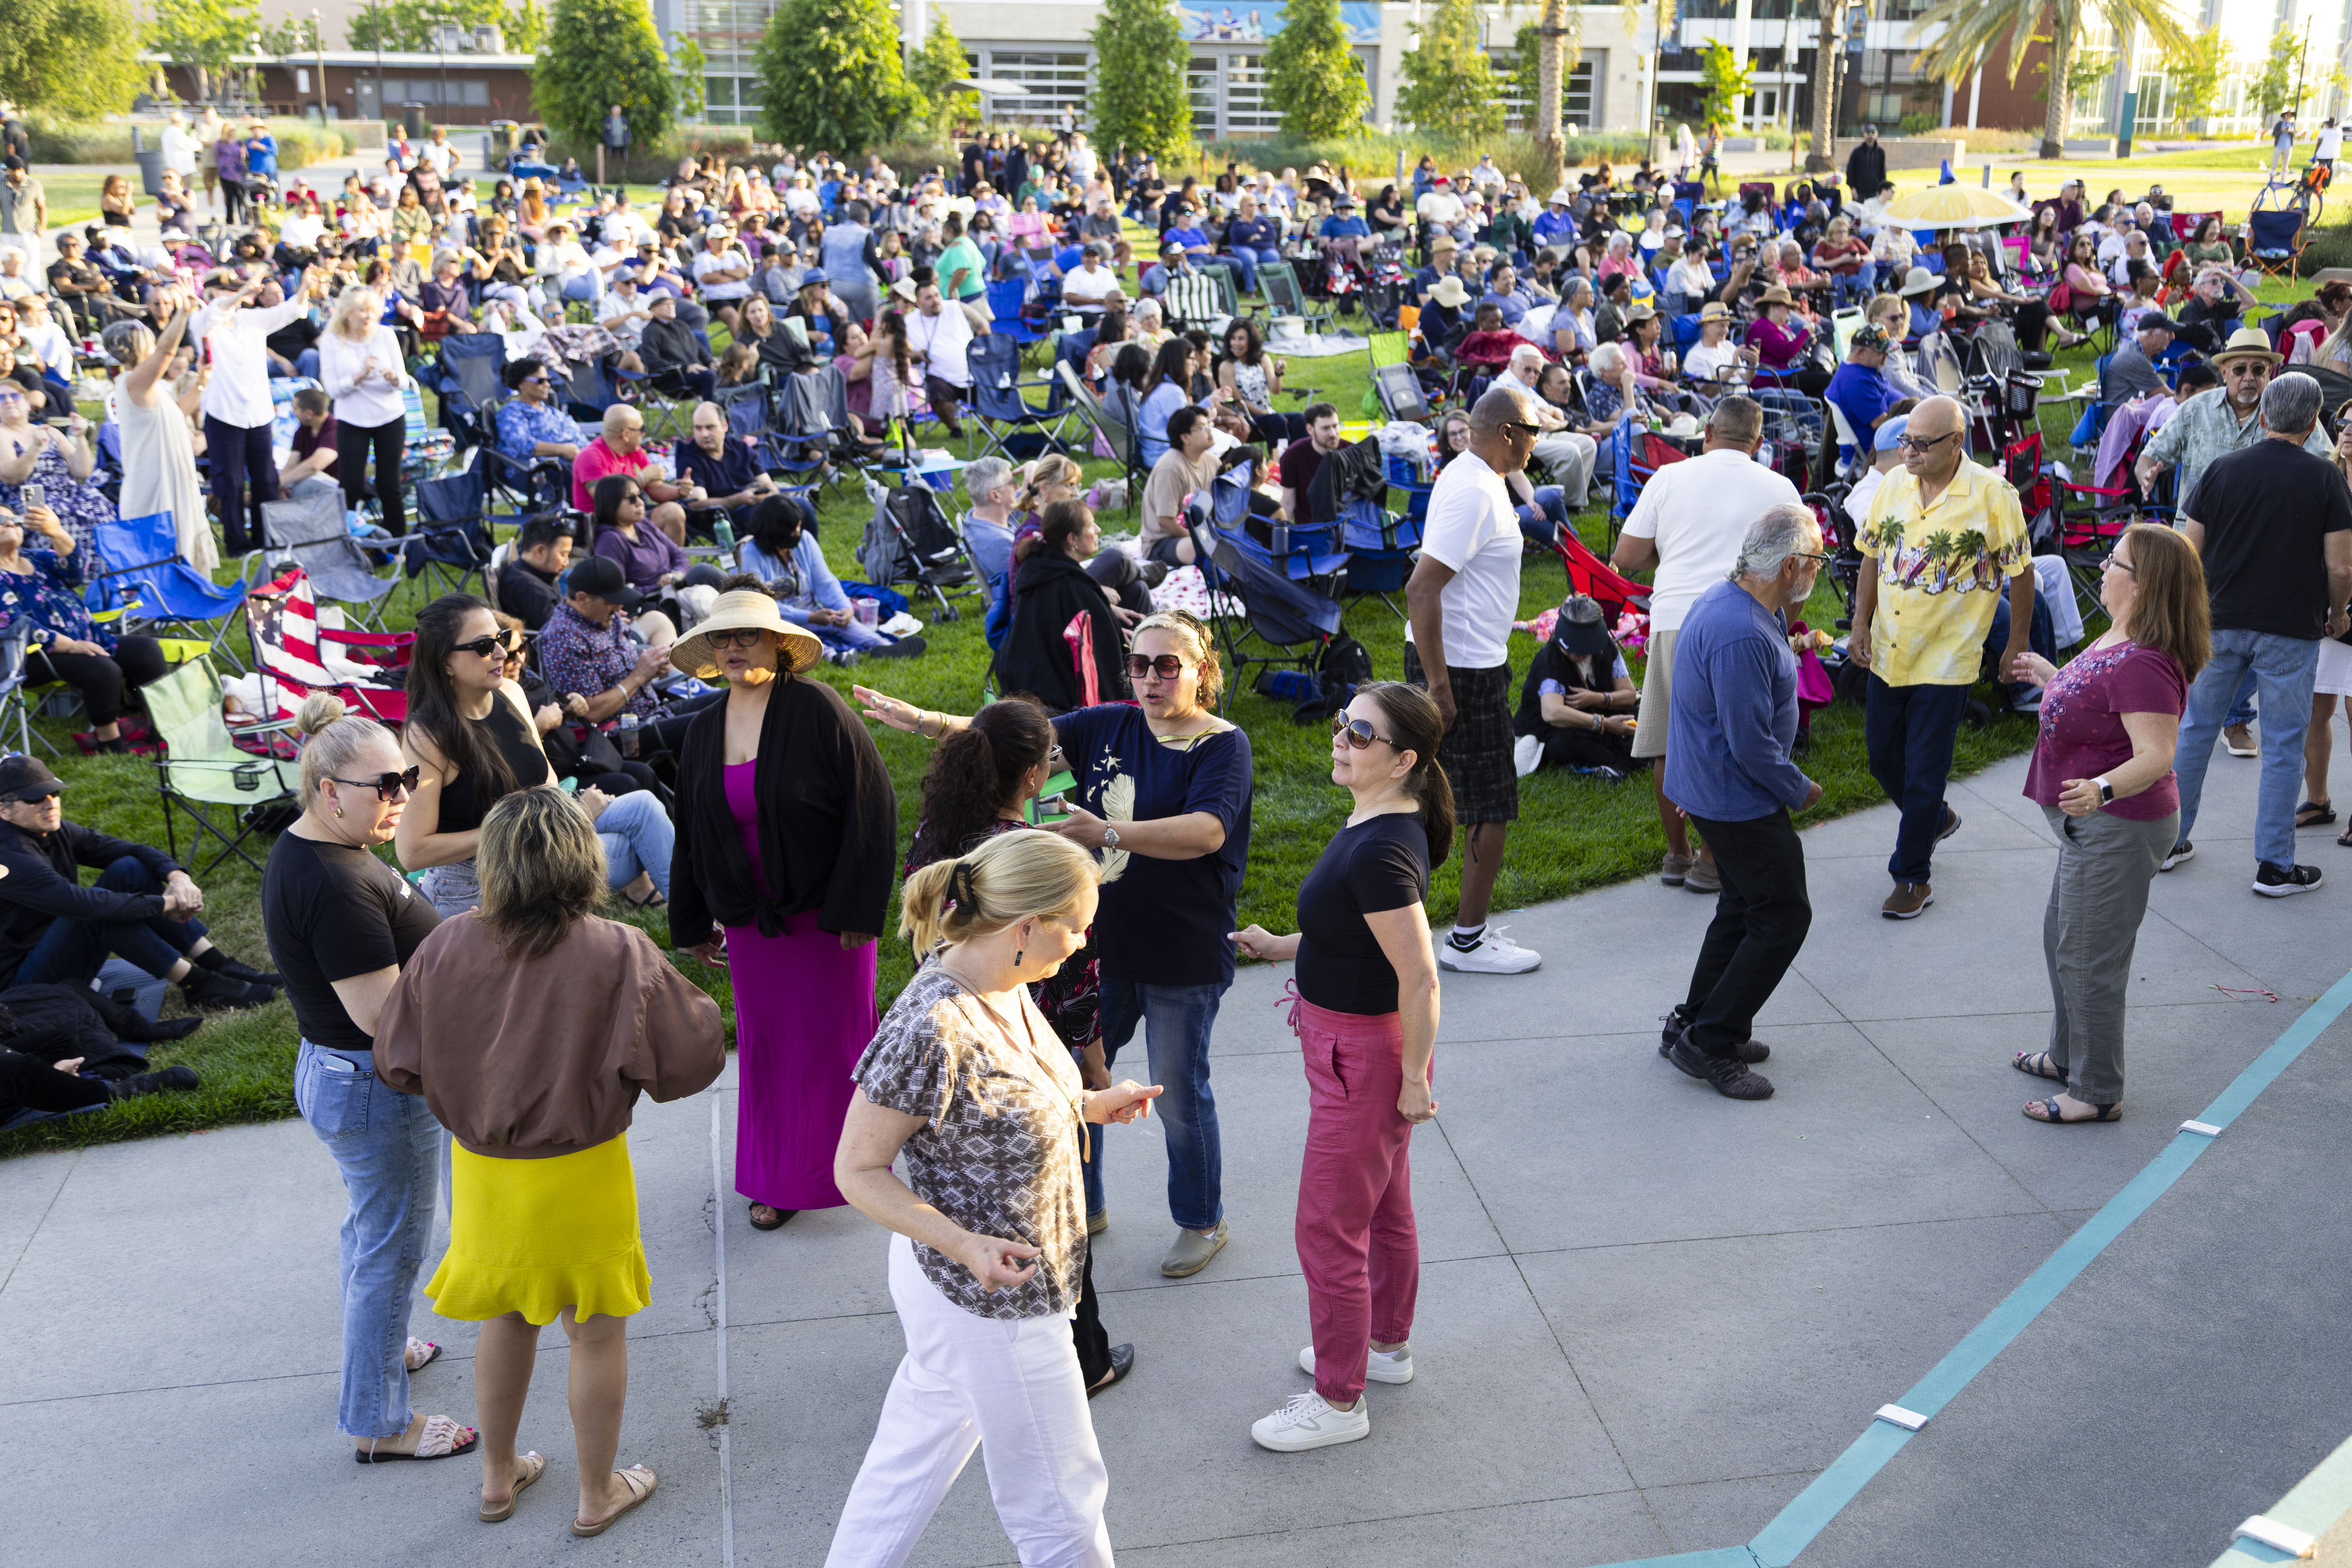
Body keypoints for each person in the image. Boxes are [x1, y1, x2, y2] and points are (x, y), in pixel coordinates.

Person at [858, 608, 1255, 1281]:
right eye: (1139, 664)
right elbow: (1008, 740)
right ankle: (1085, 1204)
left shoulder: (1222, 744)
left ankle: (1200, 1220)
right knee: (1076, 1079)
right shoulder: (1110, 722)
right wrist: (924, 720)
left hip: (1181, 949)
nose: (1150, 679)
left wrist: (1106, 833)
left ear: (1201, 671)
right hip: (1095, 949)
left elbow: (1208, 832)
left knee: (1179, 1096)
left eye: (1167, 666)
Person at [374, 786, 723, 1534]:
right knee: (594, 1330)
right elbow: (693, 1058)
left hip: (485, 1174)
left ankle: (498, 1477)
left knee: (505, 1318)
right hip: (583, 1171)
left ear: (493, 861)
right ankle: (597, 1494)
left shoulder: (445, 945)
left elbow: (397, 1058)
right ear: (583, 859)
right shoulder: (616, 949)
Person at [825, 830, 1160, 1566]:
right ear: (1025, 926)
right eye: (1077, 926)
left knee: (906, 1467)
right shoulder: (932, 1027)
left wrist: (1090, 1104)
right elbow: (857, 1168)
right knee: (1062, 1508)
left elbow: (1007, 1097)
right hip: (993, 1304)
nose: (1084, 941)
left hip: (971, 1297)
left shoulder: (1007, 984)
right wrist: (965, 1244)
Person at [1227, 682, 1445, 1452]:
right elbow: (1358, 931)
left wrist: (1413, 1077)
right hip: (1355, 1054)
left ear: (1404, 759)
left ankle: (1338, 1399)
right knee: (1382, 1206)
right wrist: (1285, 945)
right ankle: (1383, 1345)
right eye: (1342, 724)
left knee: (1327, 1226)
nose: (1340, 739)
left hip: (1364, 1060)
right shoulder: (1376, 820)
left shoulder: (1383, 849)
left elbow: (1420, 976)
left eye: (1360, 732)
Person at [262, 694, 476, 1465]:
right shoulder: (335, 882)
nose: (403, 798)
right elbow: (387, 1018)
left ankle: (380, 1348)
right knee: (391, 1248)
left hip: (340, 1074)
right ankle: (380, 1423)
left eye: (408, 780)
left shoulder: (322, 847)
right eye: (386, 786)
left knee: (370, 1232)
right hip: (373, 1086)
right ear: (329, 791)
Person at [902, 696, 1129, 1389]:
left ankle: (973, 1342)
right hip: (1027, 1044)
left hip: (964, 1037)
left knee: (970, 1193)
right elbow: (1079, 980)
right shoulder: (1037, 859)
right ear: (1034, 776)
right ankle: (1084, 1356)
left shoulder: (935, 837)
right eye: (1051, 756)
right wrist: (1091, 1064)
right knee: (1047, 1204)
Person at [670, 589, 897, 1232]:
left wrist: (857, 909)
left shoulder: (818, 709)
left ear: (778, 644)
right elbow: (692, 830)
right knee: (768, 1050)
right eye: (722, 638)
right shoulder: (702, 729)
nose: (734, 647)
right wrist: (692, 921)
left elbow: (872, 807)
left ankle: (856, 1167)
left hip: (827, 920)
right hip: (751, 922)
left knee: (832, 1045)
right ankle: (777, 1176)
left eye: (747, 635)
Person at [2006, 524, 2204, 1124]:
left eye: (2113, 561)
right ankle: (2067, 1055)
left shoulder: (2146, 661)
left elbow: (2156, 755)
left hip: (2117, 825)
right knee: (2061, 941)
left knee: (2089, 958)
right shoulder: (2122, 634)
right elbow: (2100, 697)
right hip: (2088, 828)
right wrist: (2053, 677)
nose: (2101, 568)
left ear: (2142, 585)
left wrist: (2101, 788)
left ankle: (2095, 1091)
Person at [1658, 505, 1828, 1101]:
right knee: (1783, 914)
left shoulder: (1737, 606)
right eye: (1816, 561)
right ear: (1790, 566)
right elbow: (1749, 743)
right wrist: (1798, 788)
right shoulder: (1739, 631)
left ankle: (1692, 1022)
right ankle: (1712, 1040)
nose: (1818, 571)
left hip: (1717, 789)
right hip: (1737, 797)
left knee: (1741, 907)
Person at [2164, 372, 2352, 894]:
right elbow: (2341, 567)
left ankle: (2169, 842)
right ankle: (2274, 865)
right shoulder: (2325, 478)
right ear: (2312, 423)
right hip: (2290, 628)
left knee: (2195, 729)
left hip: (2218, 622)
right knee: (2284, 743)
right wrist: (2338, 614)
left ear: (2265, 417)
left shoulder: (2222, 469)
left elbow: (2189, 552)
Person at [1848, 396, 2034, 918]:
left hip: (1948, 657)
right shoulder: (1892, 484)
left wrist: (2016, 642)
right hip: (1889, 648)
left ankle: (1912, 876)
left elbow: (2021, 572)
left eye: (1920, 444)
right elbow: (1870, 557)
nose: (1908, 452)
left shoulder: (1993, 495)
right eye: (1904, 440)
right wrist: (1860, 622)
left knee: (1924, 770)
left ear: (1956, 442)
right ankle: (1933, 819)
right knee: (1882, 758)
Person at [1610, 395, 1803, 891]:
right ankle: (1712, 861)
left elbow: (1626, 555)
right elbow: (1798, 567)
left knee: (1667, 742)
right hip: (1746, 620)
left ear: (1708, 433)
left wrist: (1673, 550)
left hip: (1676, 617)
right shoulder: (1779, 486)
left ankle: (1677, 854)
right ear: (1758, 443)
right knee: (1732, 741)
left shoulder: (1669, 476)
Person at [397, 596, 674, 917]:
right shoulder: (428, 736)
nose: (502, 653)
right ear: (446, 661)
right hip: (479, 883)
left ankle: (700, 929)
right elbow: (412, 851)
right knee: (638, 847)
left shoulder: (511, 693)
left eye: (501, 638)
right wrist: (530, 825)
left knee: (644, 809)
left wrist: (569, 816)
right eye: (484, 646)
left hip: (538, 849)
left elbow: (547, 778)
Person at [1405, 384, 1553, 976]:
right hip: (1460, 669)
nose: (1536, 443)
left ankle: (1397, 932)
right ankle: (1466, 941)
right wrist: (1439, 689)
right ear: (1508, 433)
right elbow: (1421, 588)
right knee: (1489, 804)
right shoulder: (1474, 491)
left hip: (1466, 660)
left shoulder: (1474, 477)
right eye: (1533, 431)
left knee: (1421, 800)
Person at [2137, 329, 2333, 758]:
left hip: (2264, 550)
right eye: (2240, 368)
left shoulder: (2289, 413)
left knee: (2251, 633)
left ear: (2271, 374)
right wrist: (2148, 472)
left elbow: (2325, 465)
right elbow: (2153, 453)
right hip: (2198, 544)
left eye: (2259, 369)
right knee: (2201, 636)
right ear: (2224, 371)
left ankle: (2236, 717)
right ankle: (2183, 714)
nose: (2249, 377)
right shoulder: (2196, 409)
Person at [0, 750, 274, 1004]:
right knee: (98, 912)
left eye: (54, 793)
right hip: (20, 987)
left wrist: (178, 879)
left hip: (53, 948)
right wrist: (167, 903)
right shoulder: (9, 854)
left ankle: (217, 963)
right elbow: (82, 904)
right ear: (4, 810)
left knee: (128, 868)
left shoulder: (49, 829)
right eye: (35, 798)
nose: (50, 804)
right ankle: (198, 984)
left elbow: (133, 851)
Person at [0, 503, 167, 753]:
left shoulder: (38, 558)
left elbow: (77, 572)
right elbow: (18, 625)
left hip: (87, 638)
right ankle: (109, 743)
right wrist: (71, 646)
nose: (10, 523)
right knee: (101, 668)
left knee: (147, 650)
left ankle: (159, 727)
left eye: (14, 518)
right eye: (1, 521)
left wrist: (57, 533)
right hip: (31, 657)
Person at [193, 268, 319, 555]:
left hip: (259, 413)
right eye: (230, 289)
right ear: (213, 292)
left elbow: (290, 311)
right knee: (231, 482)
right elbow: (214, 315)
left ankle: (266, 539)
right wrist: (243, 292)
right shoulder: (202, 321)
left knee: (266, 480)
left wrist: (304, 288)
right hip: (224, 414)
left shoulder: (252, 320)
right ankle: (237, 544)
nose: (239, 294)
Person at [101, 304, 212, 571]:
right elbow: (166, 352)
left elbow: (178, 413)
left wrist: (202, 381)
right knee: (161, 547)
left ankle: (183, 584)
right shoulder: (134, 382)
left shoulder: (143, 385)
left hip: (169, 470)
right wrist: (183, 313)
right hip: (154, 477)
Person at [1001, 499, 1131, 713]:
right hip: (1068, 707)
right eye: (1091, 525)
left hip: (1029, 693)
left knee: (1136, 589)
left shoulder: (1035, 571)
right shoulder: (1076, 590)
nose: (1098, 530)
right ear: (1072, 540)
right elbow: (1105, 665)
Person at [317, 285, 410, 538]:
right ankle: (345, 539)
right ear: (347, 312)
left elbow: (404, 381)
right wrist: (360, 375)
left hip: (390, 417)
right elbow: (333, 390)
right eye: (362, 310)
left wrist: (394, 378)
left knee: (389, 483)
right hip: (352, 420)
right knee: (350, 485)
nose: (369, 316)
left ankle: (397, 543)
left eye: (372, 310)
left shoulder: (385, 335)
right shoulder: (331, 342)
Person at [1512, 596, 1639, 776]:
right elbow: (1553, 713)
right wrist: (1604, 724)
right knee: (1571, 743)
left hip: (1598, 714)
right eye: (1570, 647)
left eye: (1582, 648)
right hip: (1557, 730)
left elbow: (1629, 695)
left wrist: (1596, 698)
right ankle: (1612, 760)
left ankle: (1619, 753)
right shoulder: (1550, 660)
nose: (1575, 653)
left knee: (1640, 718)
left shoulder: (1606, 649)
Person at [1824, 322, 1901, 462]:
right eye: (1882, 352)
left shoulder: (1864, 368)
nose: (1887, 355)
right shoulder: (1855, 381)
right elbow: (1880, 422)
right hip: (1882, 451)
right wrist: (1913, 421)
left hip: (1891, 443)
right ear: (1862, 353)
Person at [495, 513, 573, 631]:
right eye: (563, 554)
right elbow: (558, 633)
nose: (566, 562)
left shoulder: (524, 571)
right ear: (540, 551)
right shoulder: (532, 589)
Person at [2101, 312, 2175, 406]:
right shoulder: (2136, 359)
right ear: (2151, 333)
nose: (2173, 337)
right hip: (2124, 414)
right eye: (2168, 332)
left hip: (2129, 410)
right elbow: (2168, 396)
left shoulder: (2135, 351)